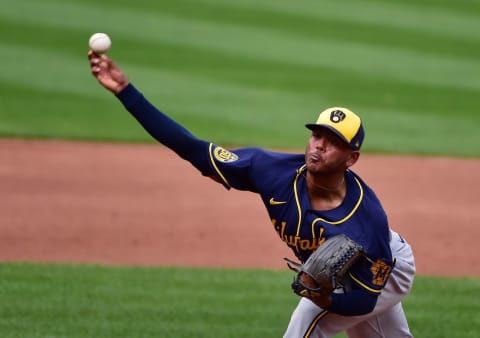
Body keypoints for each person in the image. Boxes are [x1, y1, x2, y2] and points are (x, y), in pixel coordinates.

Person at [88, 50, 416, 338]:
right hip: (351, 274)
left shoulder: (365, 219)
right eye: (317, 135)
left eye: (333, 142)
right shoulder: (270, 170)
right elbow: (195, 150)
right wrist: (126, 92)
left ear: (351, 158)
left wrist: (327, 300)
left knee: (305, 323)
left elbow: (366, 299)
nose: (319, 145)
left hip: (382, 269)